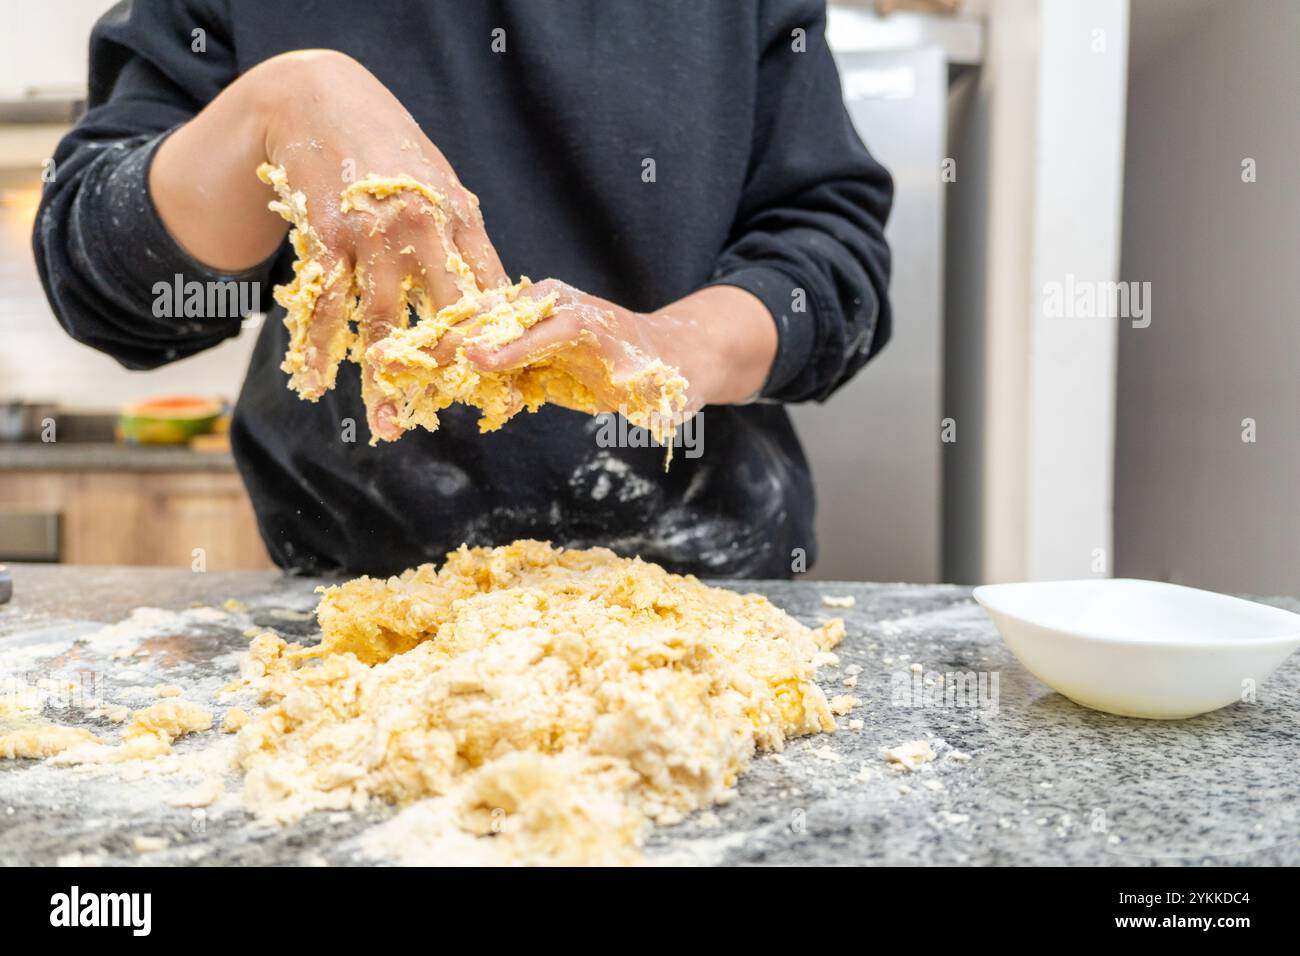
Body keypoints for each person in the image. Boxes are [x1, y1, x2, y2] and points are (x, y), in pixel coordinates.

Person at [34, 0, 893, 578]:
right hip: (353, 604)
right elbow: (105, 277)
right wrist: (273, 104)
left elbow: (829, 247)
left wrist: (671, 349)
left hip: (709, 577)